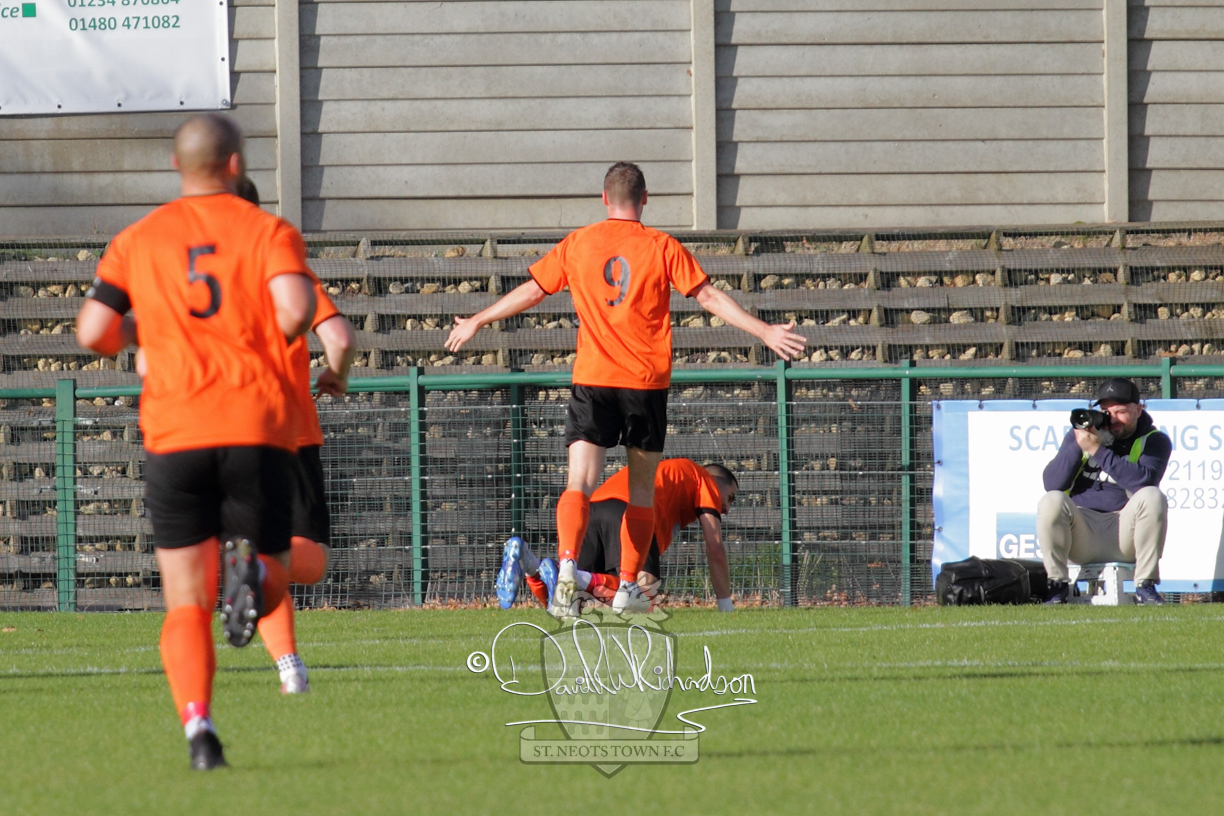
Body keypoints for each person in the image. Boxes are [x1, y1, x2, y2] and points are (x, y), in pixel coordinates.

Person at [446, 162, 805, 618]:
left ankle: (568, 566)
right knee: (641, 494)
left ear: (604, 198)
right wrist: (765, 331)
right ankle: (627, 586)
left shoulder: (579, 242)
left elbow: (533, 291)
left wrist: (478, 319)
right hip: (643, 384)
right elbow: (709, 297)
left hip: (593, 379)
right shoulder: (662, 246)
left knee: (579, 482)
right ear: (645, 199)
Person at [76, 113, 318, 770]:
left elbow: (94, 331)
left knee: (185, 600)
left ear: (176, 167)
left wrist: (149, 329)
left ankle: (199, 729)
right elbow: (296, 311)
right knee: (270, 573)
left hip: (175, 432)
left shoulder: (138, 238)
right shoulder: (267, 230)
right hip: (253, 426)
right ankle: (253, 576)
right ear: (235, 165)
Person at [230, 176, 358, 695]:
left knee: (260, 549)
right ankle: (255, 572)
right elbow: (339, 338)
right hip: (287, 429)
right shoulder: (282, 263)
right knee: (306, 558)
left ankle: (289, 668)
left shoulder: (191, 270)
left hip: (215, 429)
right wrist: (336, 376)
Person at [498, 459, 738, 616]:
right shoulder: (704, 479)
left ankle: (530, 564)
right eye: (730, 498)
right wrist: (725, 607)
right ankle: (576, 578)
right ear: (716, 481)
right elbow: (714, 546)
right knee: (643, 596)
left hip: (591, 511)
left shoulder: (673, 475)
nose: (727, 509)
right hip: (630, 513)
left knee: (567, 605)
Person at [1038, 377, 1172, 605]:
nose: (1113, 419)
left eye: (1120, 412)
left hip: (1125, 533)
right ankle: (1057, 586)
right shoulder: (1083, 435)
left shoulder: (1154, 440)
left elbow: (1144, 480)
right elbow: (1052, 482)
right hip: (1082, 533)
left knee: (1153, 496)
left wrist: (1097, 450)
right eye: (1107, 412)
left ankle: (1145, 585)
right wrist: (1078, 445)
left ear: (1138, 410)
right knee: (1051, 500)